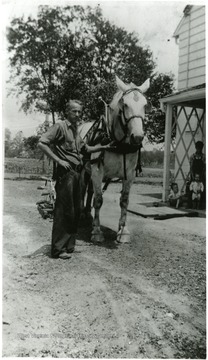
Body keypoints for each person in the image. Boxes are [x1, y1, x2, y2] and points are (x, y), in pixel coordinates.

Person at [38, 99, 110, 259]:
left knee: (76, 210)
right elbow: (42, 143)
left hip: (78, 173)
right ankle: (57, 249)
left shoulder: (76, 130)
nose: (77, 114)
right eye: (74, 111)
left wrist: (104, 147)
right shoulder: (60, 127)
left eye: (79, 112)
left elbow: (87, 149)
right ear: (67, 112)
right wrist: (58, 160)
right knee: (64, 211)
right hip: (66, 174)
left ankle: (69, 246)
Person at [189, 141, 206, 208]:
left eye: (200, 148)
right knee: (192, 189)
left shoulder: (204, 157)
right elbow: (191, 167)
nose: (199, 150)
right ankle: (191, 205)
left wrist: (202, 176)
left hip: (201, 175)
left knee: (202, 190)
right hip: (194, 175)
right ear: (196, 148)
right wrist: (192, 176)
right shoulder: (192, 156)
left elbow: (205, 167)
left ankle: (201, 205)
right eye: (198, 148)